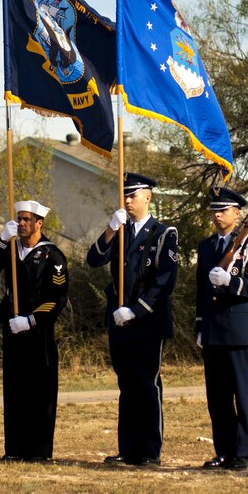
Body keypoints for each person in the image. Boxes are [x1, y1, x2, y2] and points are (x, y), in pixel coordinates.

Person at [86, 172, 179, 467]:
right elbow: (94, 260)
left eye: (133, 195)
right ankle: (128, 448)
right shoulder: (120, 231)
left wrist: (136, 310)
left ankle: (149, 450)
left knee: (147, 384)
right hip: (119, 320)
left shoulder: (164, 234)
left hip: (147, 321)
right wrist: (110, 230)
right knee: (127, 385)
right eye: (124, 195)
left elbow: (164, 282)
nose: (127, 200)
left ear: (147, 196)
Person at [0, 200, 68, 462]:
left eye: (27, 219)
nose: (21, 223)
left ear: (39, 223)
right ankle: (15, 449)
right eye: (19, 218)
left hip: (37, 330)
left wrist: (31, 319)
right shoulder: (11, 248)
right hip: (12, 327)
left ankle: (38, 451)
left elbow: (58, 297)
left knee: (39, 392)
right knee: (15, 390)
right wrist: (1, 240)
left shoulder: (52, 255)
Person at [195, 186, 248, 472]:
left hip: (239, 330)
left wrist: (229, 282)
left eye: (223, 210)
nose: (217, 215)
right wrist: (200, 325)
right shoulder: (207, 246)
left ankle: (243, 453)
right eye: (214, 210)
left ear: (237, 213)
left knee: (242, 394)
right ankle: (223, 451)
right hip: (213, 329)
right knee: (218, 397)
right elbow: (201, 290)